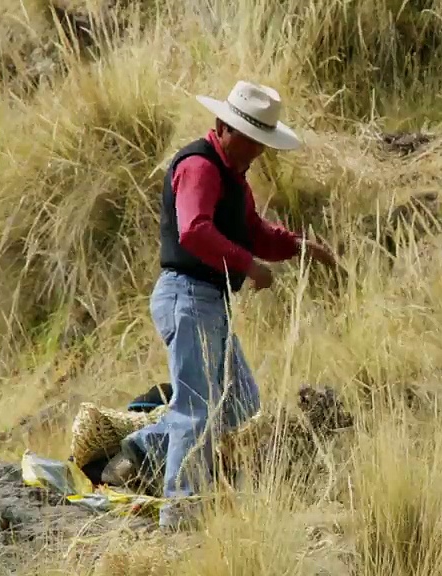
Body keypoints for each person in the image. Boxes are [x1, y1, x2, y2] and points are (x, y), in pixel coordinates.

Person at [103, 80, 336, 530]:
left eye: (261, 143)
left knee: (240, 403)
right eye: (250, 140)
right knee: (197, 407)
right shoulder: (201, 167)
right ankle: (181, 513)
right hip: (188, 296)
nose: (256, 152)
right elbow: (193, 230)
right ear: (224, 128)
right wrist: (249, 267)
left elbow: (254, 230)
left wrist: (299, 245)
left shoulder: (232, 180)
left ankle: (141, 450)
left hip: (208, 302)